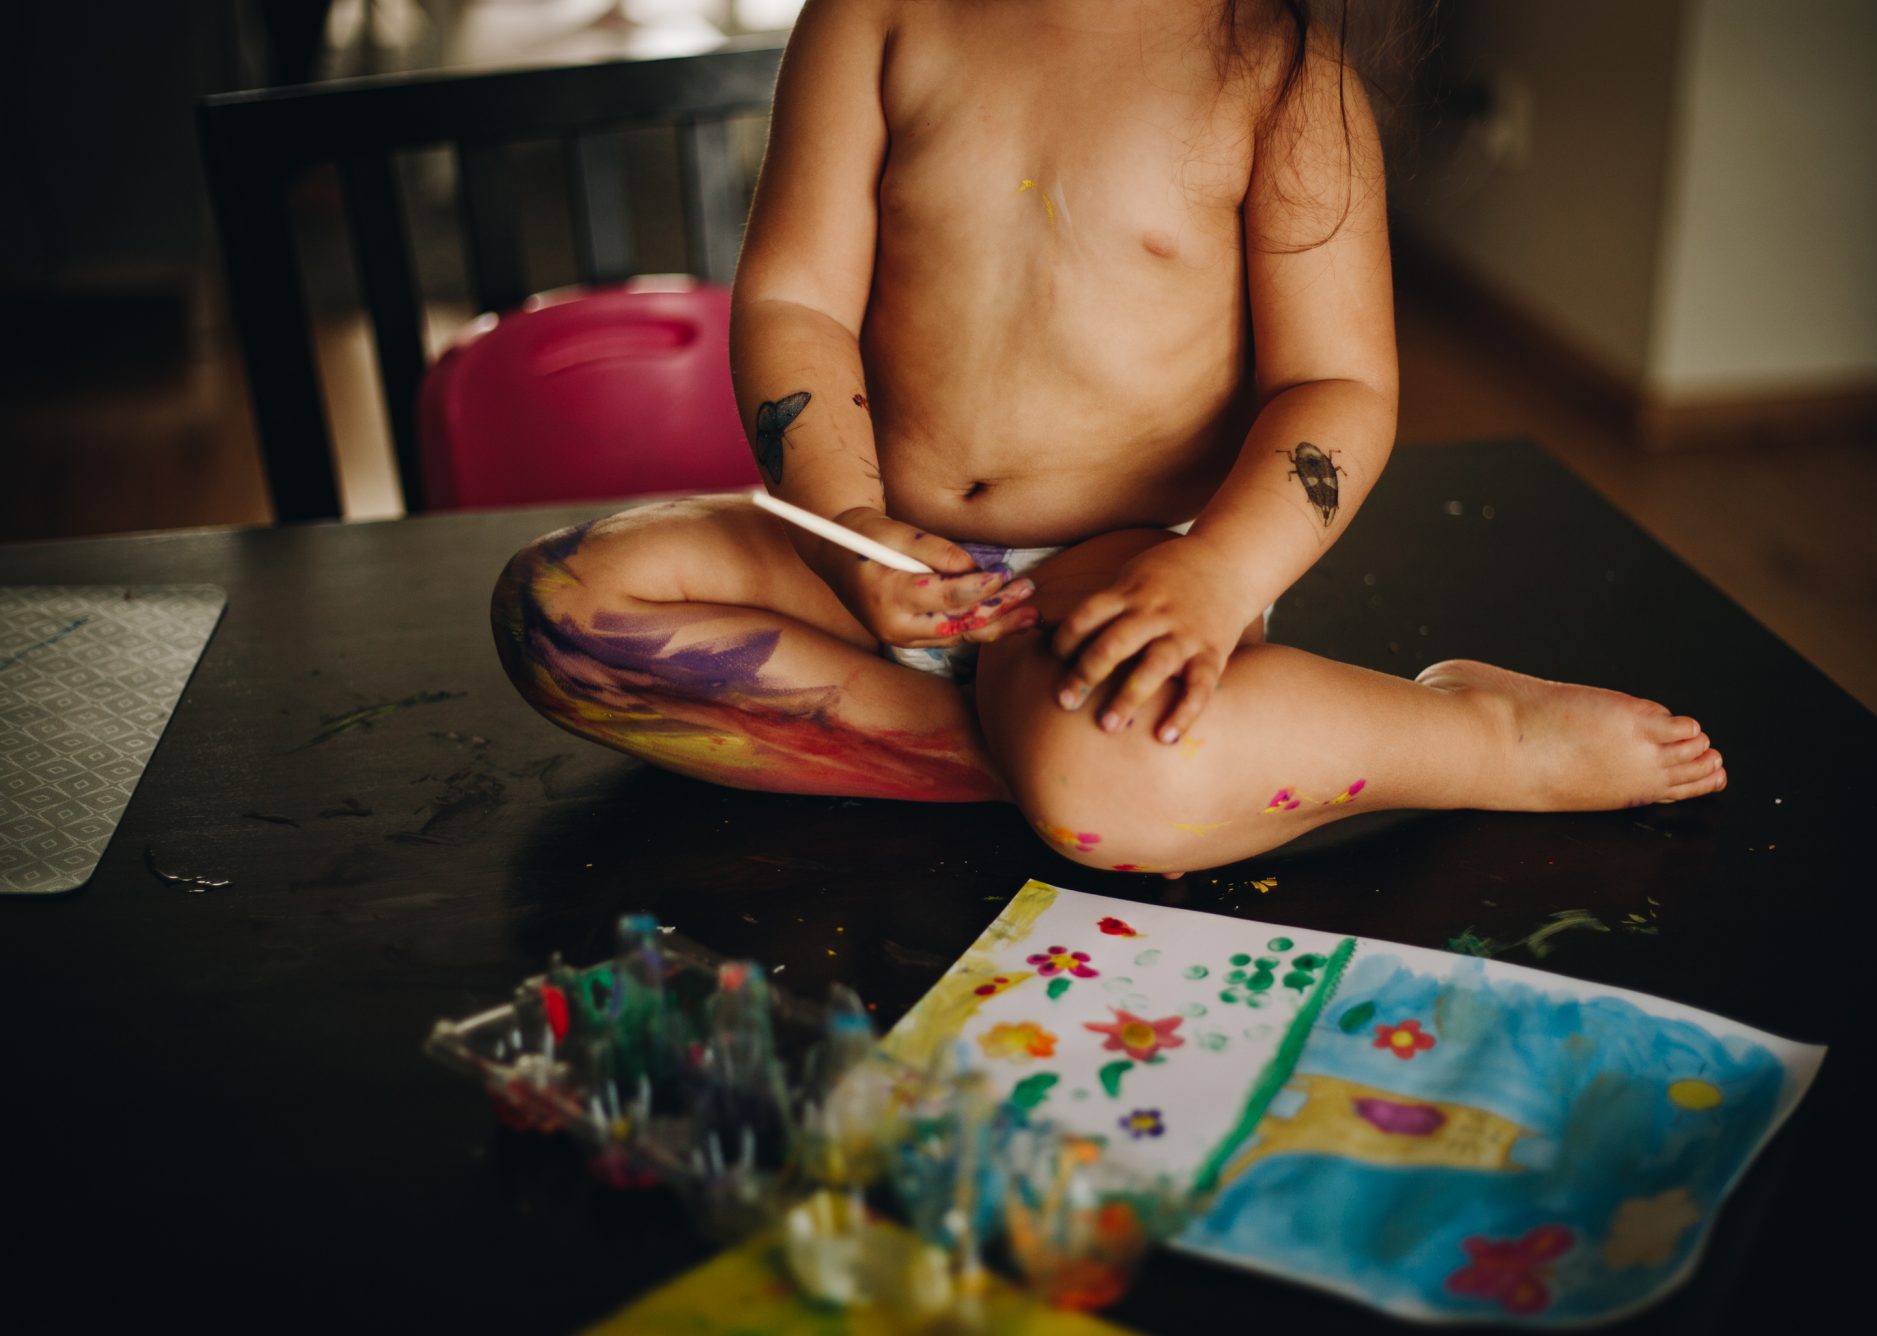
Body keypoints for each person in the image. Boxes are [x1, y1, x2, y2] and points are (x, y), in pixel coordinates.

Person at [492, 0, 1725, 877]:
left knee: (1110, 791)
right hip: (880, 557)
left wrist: (1213, 574)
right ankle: (1025, 760)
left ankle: (1478, 734)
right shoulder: (874, 17)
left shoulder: (1279, 76)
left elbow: (1335, 385)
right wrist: (846, 528)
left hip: (1118, 575)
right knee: (561, 608)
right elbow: (793, 302)